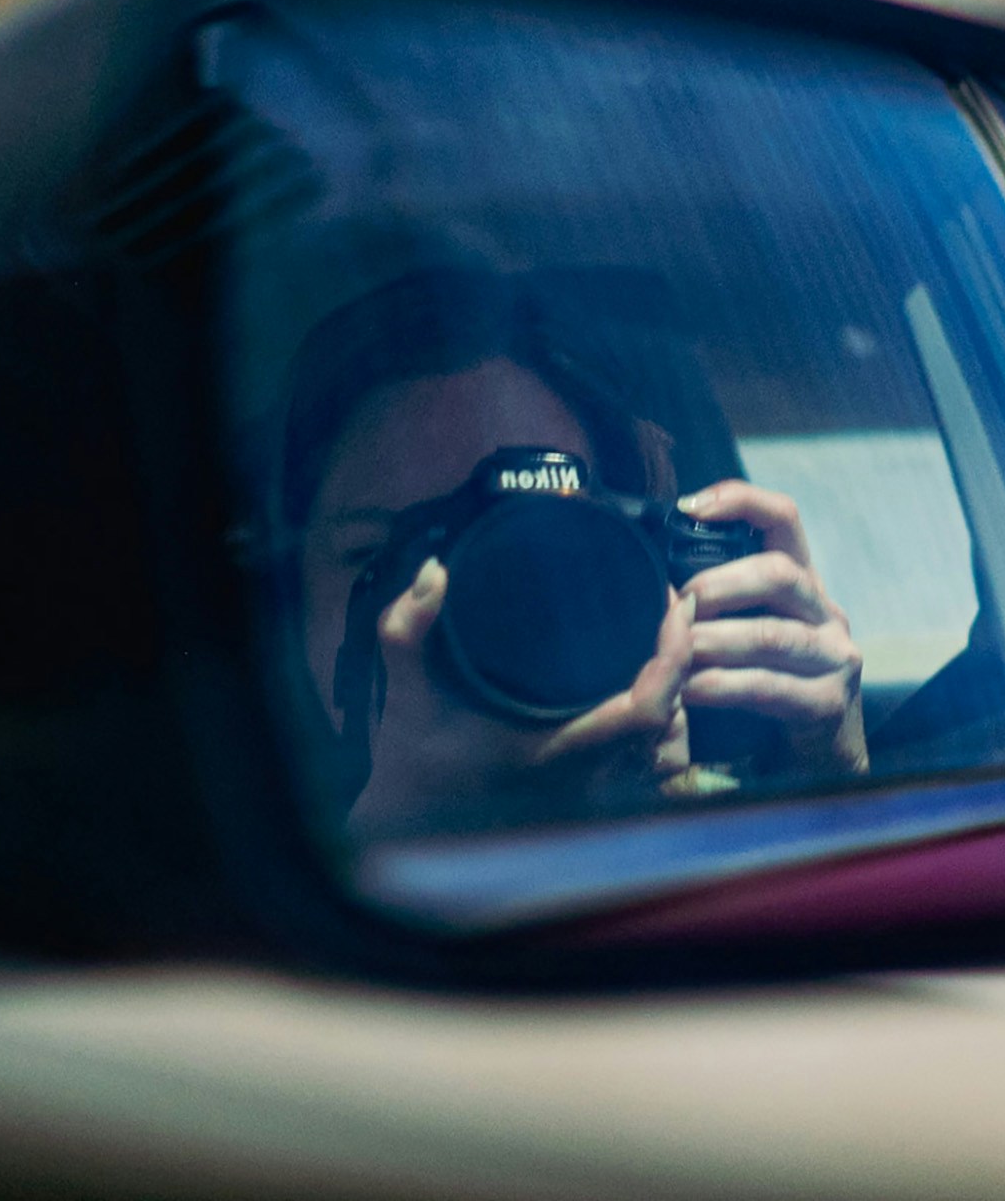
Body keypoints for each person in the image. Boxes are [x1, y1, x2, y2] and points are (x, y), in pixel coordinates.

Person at [272, 266, 866, 840]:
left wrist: (825, 789)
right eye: (383, 556)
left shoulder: (732, 818)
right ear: (287, 594)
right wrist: (401, 827)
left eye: (537, 558)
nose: (480, 611)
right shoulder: (229, 845)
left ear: (649, 568)